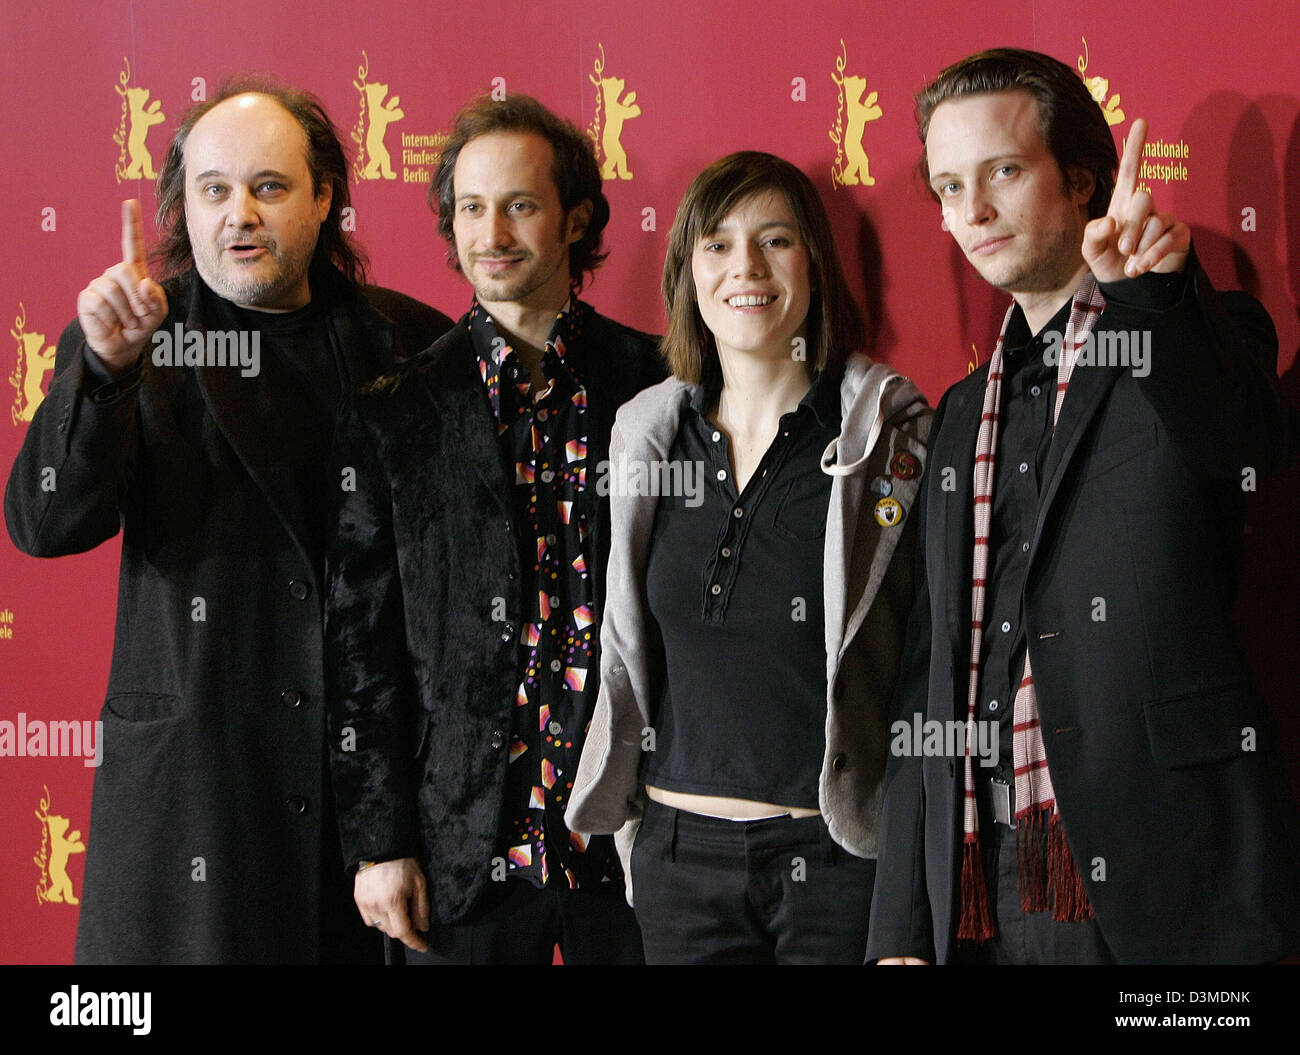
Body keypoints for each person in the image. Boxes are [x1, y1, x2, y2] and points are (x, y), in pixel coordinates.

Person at [866, 48, 1300, 965]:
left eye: (1004, 172)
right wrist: (901, 923)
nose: (972, 211)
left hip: (1165, 870)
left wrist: (1152, 298)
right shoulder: (955, 419)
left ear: (1084, 180)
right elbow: (929, 671)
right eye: (949, 186)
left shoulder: (1187, 338)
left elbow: (1250, 453)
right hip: (984, 884)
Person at [4, 78, 452, 964]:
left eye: (269, 186)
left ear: (325, 199)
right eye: (214, 189)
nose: (239, 213)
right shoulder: (139, 340)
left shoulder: (409, 344)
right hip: (194, 807)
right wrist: (104, 373)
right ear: (183, 205)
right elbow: (44, 521)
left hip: (365, 817)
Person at [566, 151, 932, 964]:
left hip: (836, 874)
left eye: (775, 241)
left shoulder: (888, 439)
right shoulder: (645, 435)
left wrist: (906, 903)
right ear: (688, 269)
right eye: (719, 245)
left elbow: (921, 675)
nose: (747, 269)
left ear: (816, 266)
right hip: (677, 866)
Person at [325, 94, 663, 964]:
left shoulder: (659, 385)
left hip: (634, 845)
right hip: (464, 850)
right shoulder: (397, 412)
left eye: (518, 204)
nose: (491, 232)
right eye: (471, 208)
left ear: (574, 216)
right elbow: (363, 651)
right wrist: (379, 841)